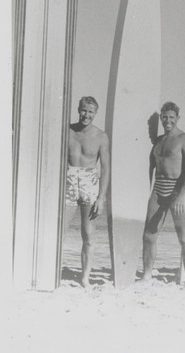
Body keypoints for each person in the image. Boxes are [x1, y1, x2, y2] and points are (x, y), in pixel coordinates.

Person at [141, 101, 185, 287]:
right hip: (158, 190)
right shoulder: (158, 141)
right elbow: (151, 167)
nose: (168, 120)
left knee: (184, 238)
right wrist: (147, 191)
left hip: (177, 191)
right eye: (164, 117)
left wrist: (182, 194)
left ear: (178, 118)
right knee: (149, 236)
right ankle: (147, 276)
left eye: (172, 117)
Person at [65, 96, 110, 287]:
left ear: (95, 113)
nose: (86, 115)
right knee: (60, 230)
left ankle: (85, 277)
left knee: (88, 233)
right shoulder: (67, 131)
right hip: (68, 180)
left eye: (91, 112)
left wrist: (102, 197)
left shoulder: (101, 136)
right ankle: (51, 271)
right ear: (78, 109)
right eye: (84, 110)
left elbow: (106, 168)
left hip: (89, 180)